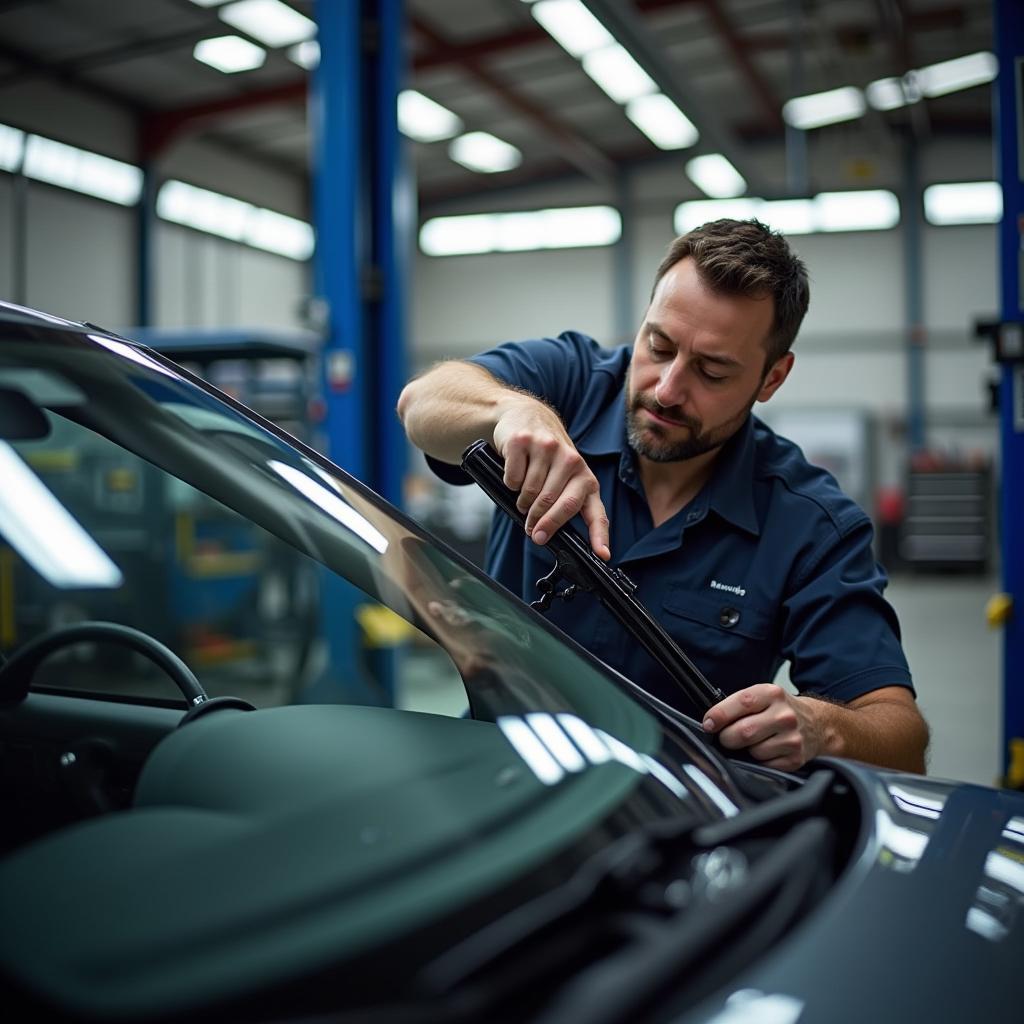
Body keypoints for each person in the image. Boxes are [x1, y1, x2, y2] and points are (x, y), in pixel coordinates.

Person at [398, 218, 929, 773]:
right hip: (502, 774)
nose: (668, 389)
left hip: (673, 817)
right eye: (659, 346)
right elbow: (423, 401)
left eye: (713, 371)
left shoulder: (811, 524)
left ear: (772, 379)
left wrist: (820, 726)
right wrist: (511, 412)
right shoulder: (572, 384)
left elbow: (900, 736)